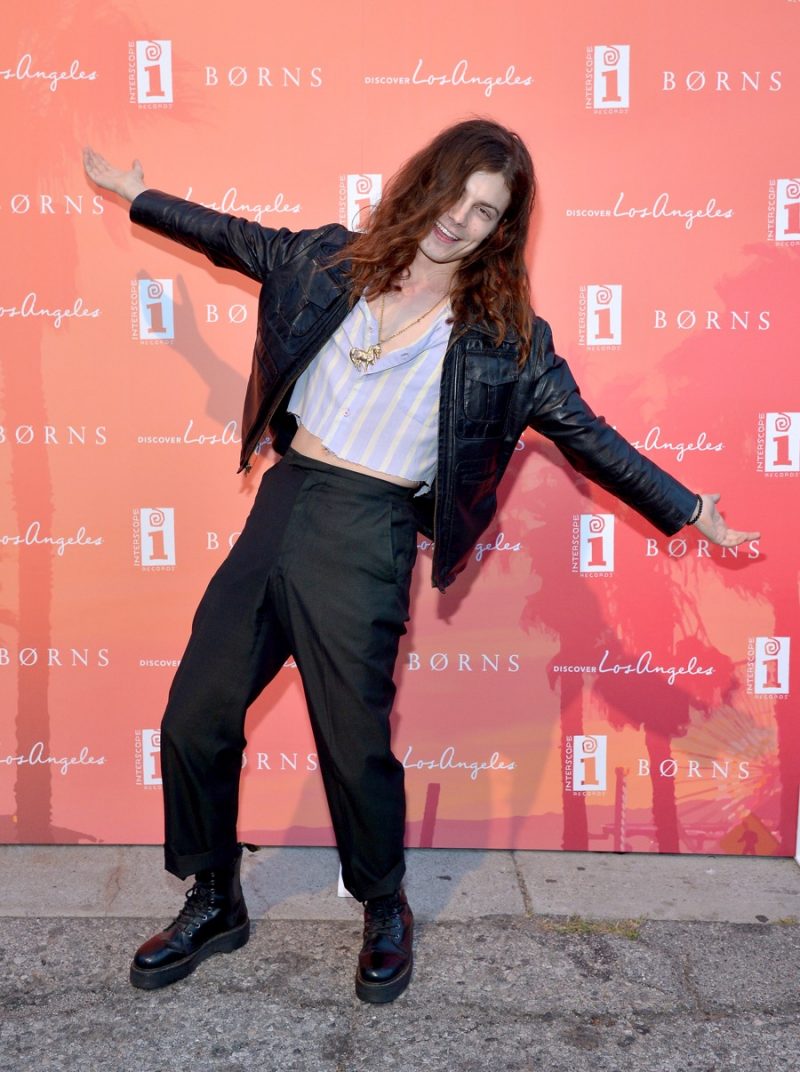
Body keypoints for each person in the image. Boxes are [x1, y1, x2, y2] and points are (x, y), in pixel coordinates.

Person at [82, 119, 757, 1005]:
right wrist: (139, 196)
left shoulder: (506, 341)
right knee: (194, 715)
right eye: (457, 195)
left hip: (369, 529)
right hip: (284, 503)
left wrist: (691, 511)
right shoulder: (327, 262)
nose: (462, 221)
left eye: (487, 212)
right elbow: (230, 235)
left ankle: (383, 905)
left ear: (500, 231)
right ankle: (214, 896)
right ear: (425, 185)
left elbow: (591, 439)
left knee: (353, 745)